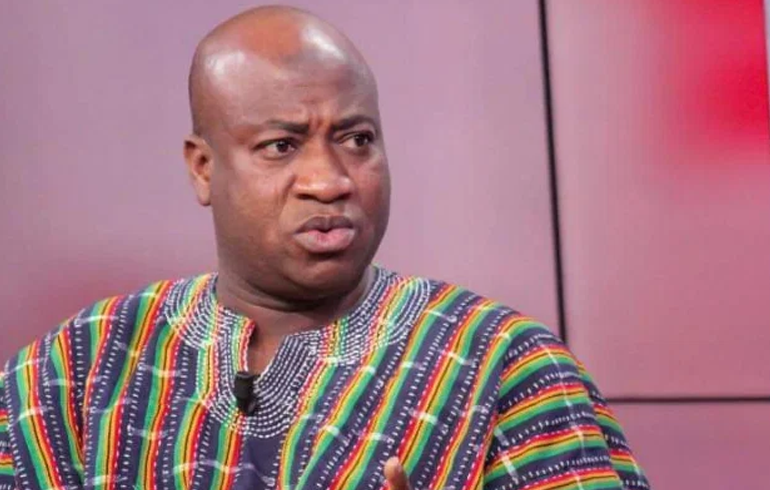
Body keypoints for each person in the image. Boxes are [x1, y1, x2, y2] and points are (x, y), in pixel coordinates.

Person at [0, 6, 649, 490]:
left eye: (357, 139)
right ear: (203, 168)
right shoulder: (72, 373)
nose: (330, 179)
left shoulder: (504, 367)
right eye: (281, 146)